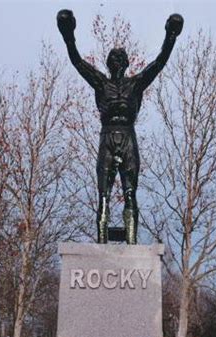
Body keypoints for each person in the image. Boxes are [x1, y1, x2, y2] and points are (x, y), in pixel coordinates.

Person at [57, 9, 183, 244]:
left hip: (127, 136)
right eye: (112, 58)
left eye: (120, 58)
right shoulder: (100, 83)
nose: (116, 61)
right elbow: (77, 61)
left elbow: (159, 62)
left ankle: (132, 244)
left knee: (130, 193)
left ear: (125, 63)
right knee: (103, 195)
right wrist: (68, 33)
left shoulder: (135, 84)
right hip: (107, 137)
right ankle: (102, 244)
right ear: (108, 63)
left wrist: (171, 36)